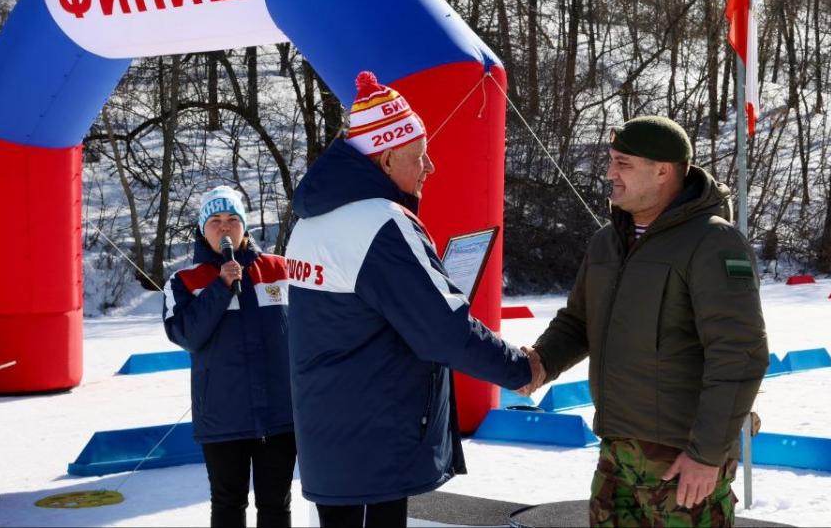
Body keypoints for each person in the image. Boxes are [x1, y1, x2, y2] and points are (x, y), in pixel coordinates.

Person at [284, 71, 541, 528]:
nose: (430, 167)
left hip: (330, 436)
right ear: (385, 161)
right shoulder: (381, 224)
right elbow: (442, 330)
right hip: (376, 440)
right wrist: (520, 369)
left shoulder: (309, 224)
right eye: (420, 156)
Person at [523, 116, 769, 527]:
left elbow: (739, 354)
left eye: (623, 163)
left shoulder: (713, 242)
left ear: (663, 171)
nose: (609, 173)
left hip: (682, 462)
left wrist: (706, 455)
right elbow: (578, 321)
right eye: (611, 161)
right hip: (616, 455)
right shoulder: (607, 241)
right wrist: (541, 361)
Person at [163, 186, 296, 528]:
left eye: (233, 219)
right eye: (216, 220)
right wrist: (220, 288)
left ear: (245, 226)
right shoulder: (184, 281)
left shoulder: (280, 270)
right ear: (202, 229)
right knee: (227, 504)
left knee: (276, 505)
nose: (225, 228)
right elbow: (187, 335)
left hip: (280, 415)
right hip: (223, 417)